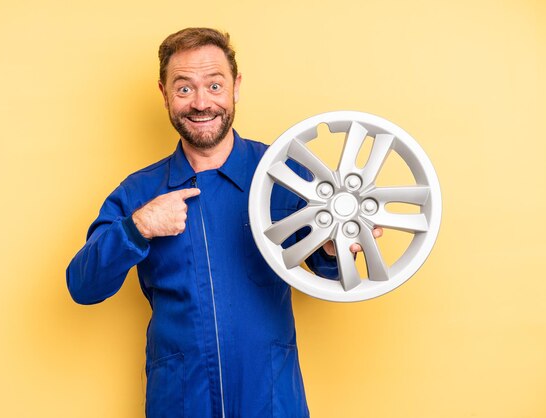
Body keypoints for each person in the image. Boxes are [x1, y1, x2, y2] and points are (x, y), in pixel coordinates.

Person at [67, 27, 381, 418]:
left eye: (214, 86)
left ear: (235, 87)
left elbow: (328, 273)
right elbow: (83, 285)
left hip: (270, 396)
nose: (201, 103)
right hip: (180, 400)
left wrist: (334, 247)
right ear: (164, 94)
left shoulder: (283, 176)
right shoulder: (138, 192)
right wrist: (139, 227)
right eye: (184, 89)